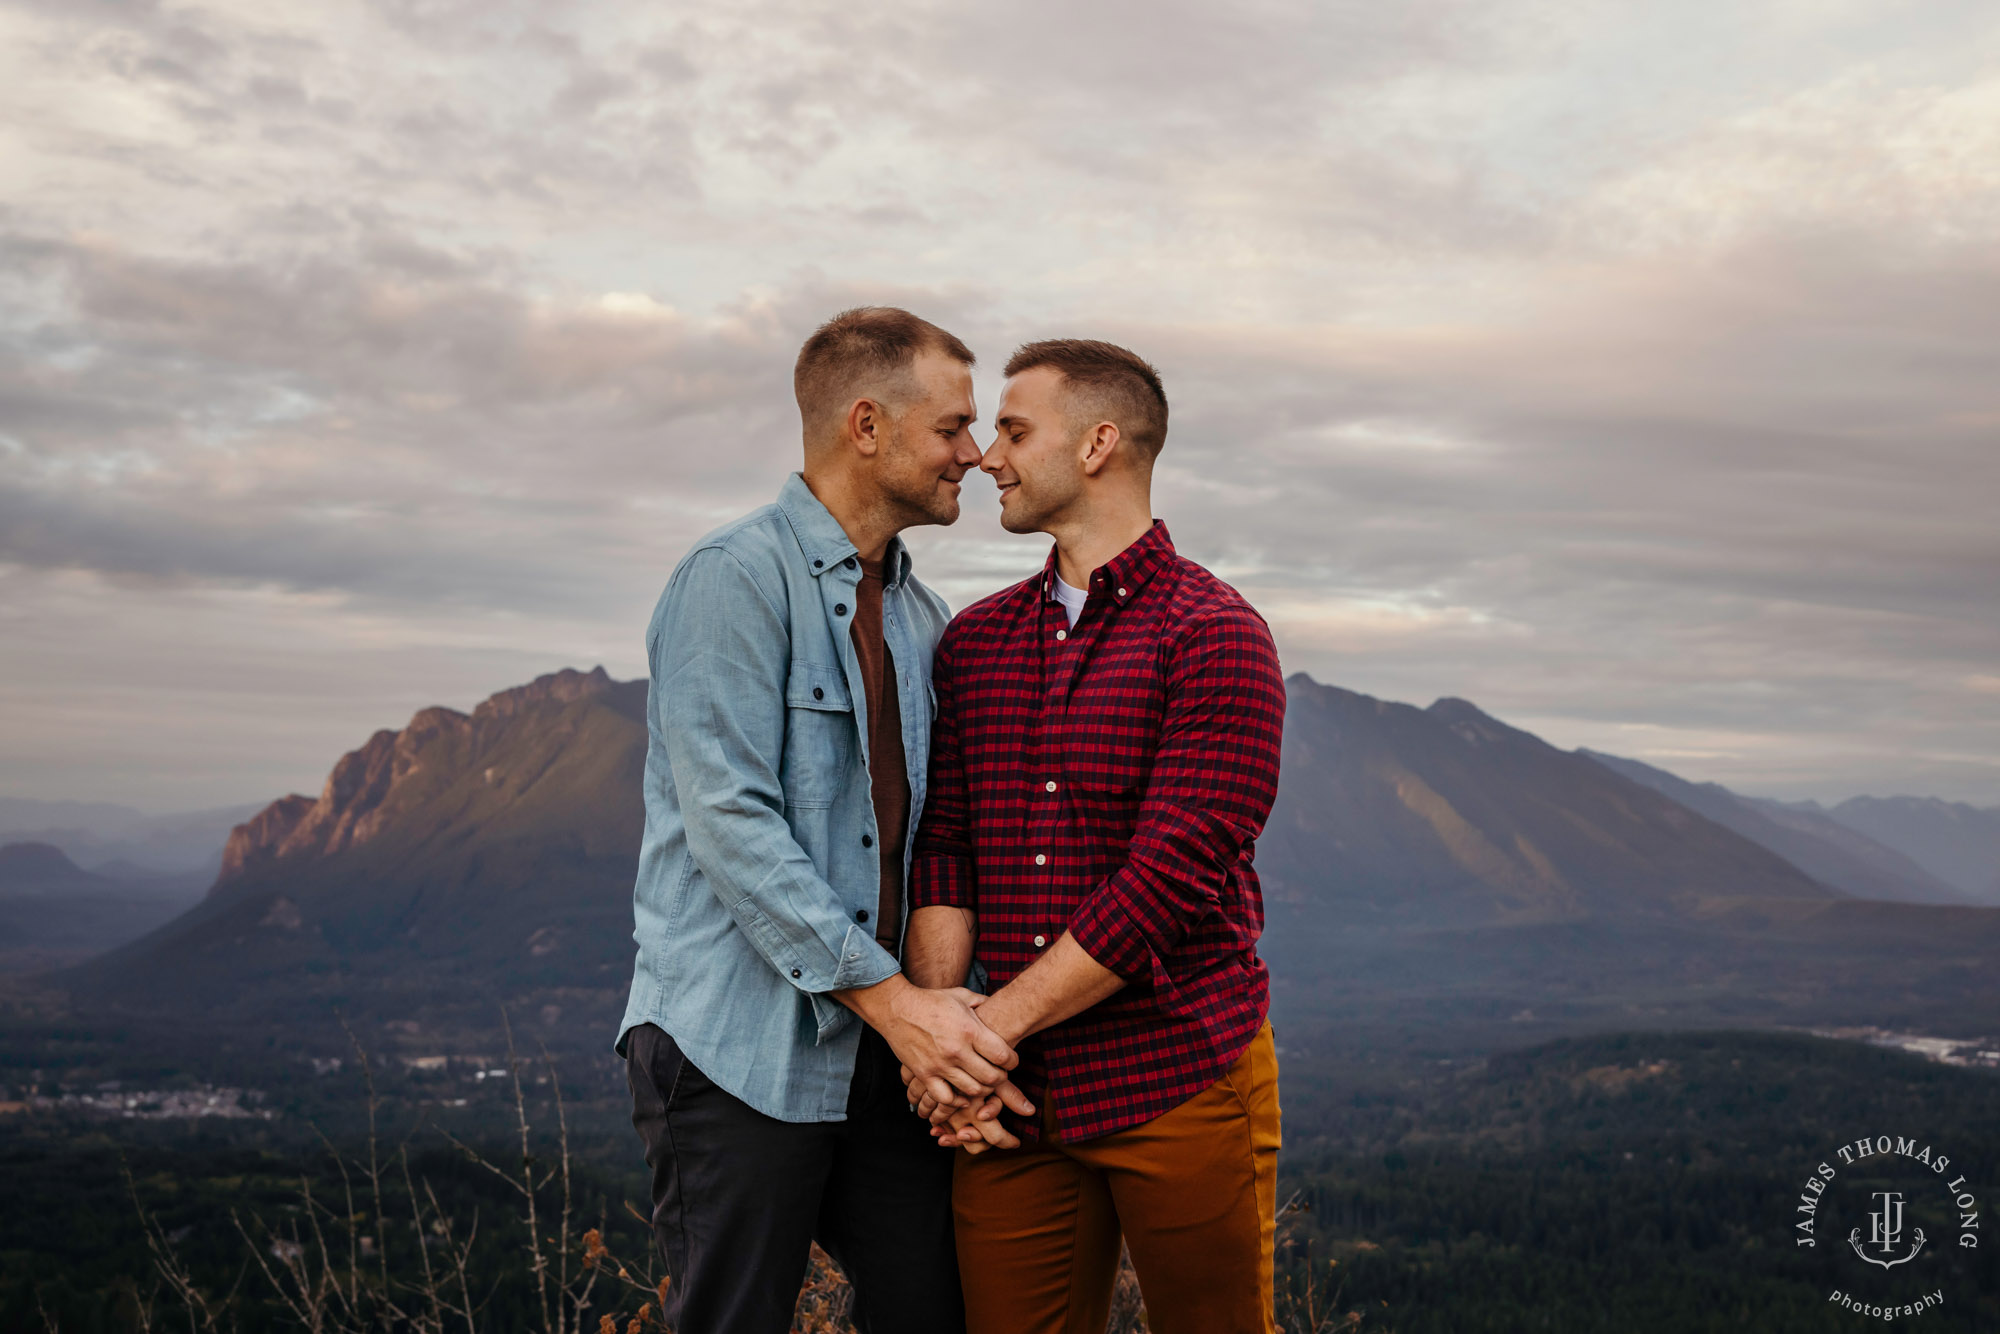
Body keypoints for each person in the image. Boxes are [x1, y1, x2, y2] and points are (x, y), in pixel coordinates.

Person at [618, 306, 1030, 1334]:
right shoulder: (732, 578)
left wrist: (942, 1028)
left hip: (880, 1048)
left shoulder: (921, 619)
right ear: (865, 426)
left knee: (935, 1305)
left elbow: (937, 838)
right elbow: (732, 826)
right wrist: (900, 1009)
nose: (973, 456)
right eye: (951, 428)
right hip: (732, 1043)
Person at [903, 339, 1289, 1334]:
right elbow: (943, 844)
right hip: (1013, 1103)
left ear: (1098, 445)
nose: (987, 454)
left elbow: (1162, 883)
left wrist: (974, 1037)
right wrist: (950, 1042)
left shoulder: (1213, 634)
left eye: (1014, 430)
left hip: (1176, 1074)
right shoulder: (976, 641)